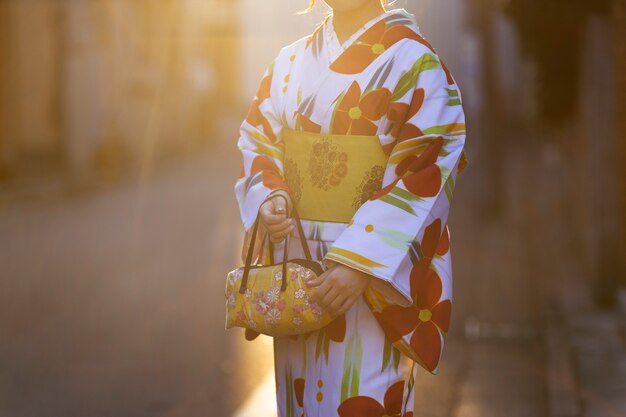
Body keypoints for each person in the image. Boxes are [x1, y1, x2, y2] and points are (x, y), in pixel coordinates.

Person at [234, 1, 468, 415]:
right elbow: (259, 141)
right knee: (300, 401)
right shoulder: (289, 62)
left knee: (364, 400)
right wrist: (271, 195)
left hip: (371, 284)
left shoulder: (416, 63)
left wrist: (360, 263)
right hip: (299, 273)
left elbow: (425, 165)